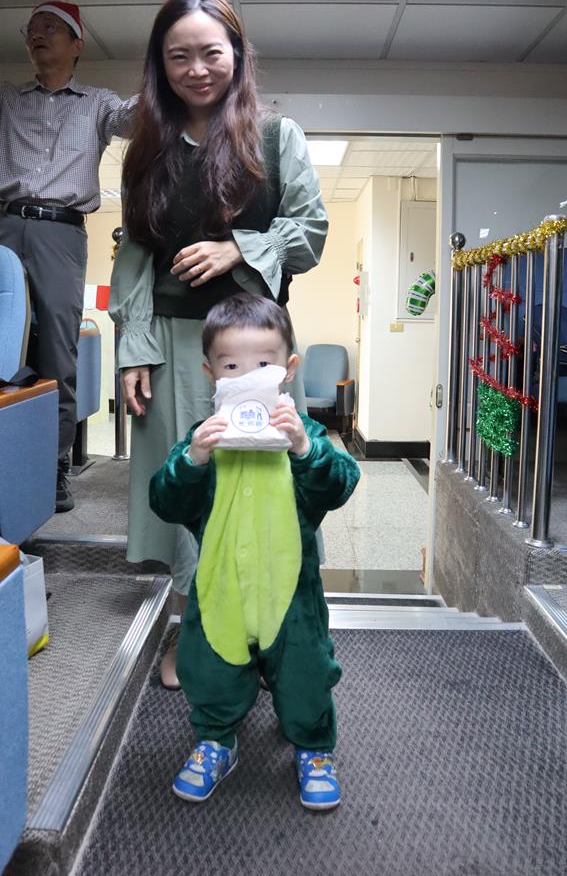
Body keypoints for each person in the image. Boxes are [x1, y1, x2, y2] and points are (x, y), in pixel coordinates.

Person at [109, 0, 328, 687]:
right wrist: (134, 349)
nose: (196, 69)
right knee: (192, 488)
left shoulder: (276, 136)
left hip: (256, 346)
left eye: (211, 52)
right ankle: (194, 632)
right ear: (160, 63)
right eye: (179, 56)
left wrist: (239, 248)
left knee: (265, 485)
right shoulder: (146, 150)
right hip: (172, 342)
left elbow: (311, 231)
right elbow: (134, 257)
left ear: (237, 52)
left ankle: (268, 636)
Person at [0, 1, 137, 512]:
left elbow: (135, 120)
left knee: (57, 351)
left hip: (61, 232)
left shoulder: (98, 103)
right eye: (32, 28)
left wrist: (169, 77)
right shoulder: (6, 97)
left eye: (50, 27)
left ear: (77, 44)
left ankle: (52, 465)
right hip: (5, 224)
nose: (37, 34)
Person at [149, 293, 360, 809]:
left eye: (264, 365)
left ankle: (313, 747)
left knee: (306, 670)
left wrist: (304, 450)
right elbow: (165, 501)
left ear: (288, 369)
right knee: (209, 667)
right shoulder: (203, 439)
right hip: (220, 589)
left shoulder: (304, 434)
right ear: (211, 374)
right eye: (231, 367)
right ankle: (216, 740)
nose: (247, 377)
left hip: (291, 595)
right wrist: (194, 459)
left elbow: (341, 484)